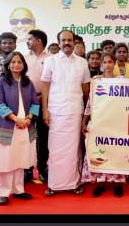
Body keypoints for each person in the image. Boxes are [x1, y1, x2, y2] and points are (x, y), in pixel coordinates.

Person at [42, 29, 91, 196]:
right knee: (55, 149)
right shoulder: (51, 61)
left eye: (69, 40)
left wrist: (86, 113)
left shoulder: (82, 62)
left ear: (74, 42)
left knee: (73, 150)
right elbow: (45, 86)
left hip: (75, 111)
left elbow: (85, 90)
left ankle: (74, 184)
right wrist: (45, 111)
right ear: (59, 42)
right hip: (55, 111)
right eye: (63, 40)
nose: (67, 43)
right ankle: (53, 184)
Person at [0, 51, 40, 205]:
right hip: (9, 125)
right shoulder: (1, 81)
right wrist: (16, 119)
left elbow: (35, 103)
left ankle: (19, 190)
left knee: (21, 158)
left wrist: (28, 119)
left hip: (25, 126)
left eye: (19, 62)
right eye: (13, 62)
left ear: (23, 65)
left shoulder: (28, 82)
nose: (16, 65)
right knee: (7, 159)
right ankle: (4, 192)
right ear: (8, 64)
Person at [81, 52, 127, 197]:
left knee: (115, 152)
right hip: (98, 123)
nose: (107, 65)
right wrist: (84, 122)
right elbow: (90, 103)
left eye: (110, 62)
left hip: (115, 123)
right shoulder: (96, 80)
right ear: (101, 64)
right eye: (105, 62)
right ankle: (100, 183)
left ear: (114, 64)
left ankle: (117, 183)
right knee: (98, 151)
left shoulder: (121, 80)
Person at [21, 29, 50, 183]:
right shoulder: (23, 59)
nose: (27, 41)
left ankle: (43, 167)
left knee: (44, 137)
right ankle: (27, 169)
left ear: (39, 41)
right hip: (27, 103)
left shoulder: (52, 59)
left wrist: (43, 97)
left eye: (30, 39)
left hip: (46, 102)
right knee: (27, 136)